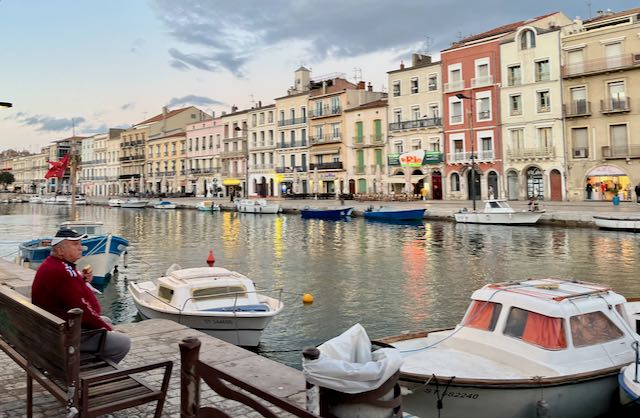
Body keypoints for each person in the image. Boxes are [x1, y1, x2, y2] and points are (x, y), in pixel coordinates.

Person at [32, 228, 130, 364]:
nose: (80, 248)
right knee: (122, 342)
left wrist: (81, 281)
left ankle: (85, 362)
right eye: (75, 244)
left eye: (80, 243)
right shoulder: (62, 272)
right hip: (63, 335)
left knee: (106, 320)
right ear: (60, 250)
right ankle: (89, 370)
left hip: (52, 330)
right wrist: (108, 329)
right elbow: (84, 310)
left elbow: (71, 295)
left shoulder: (54, 265)